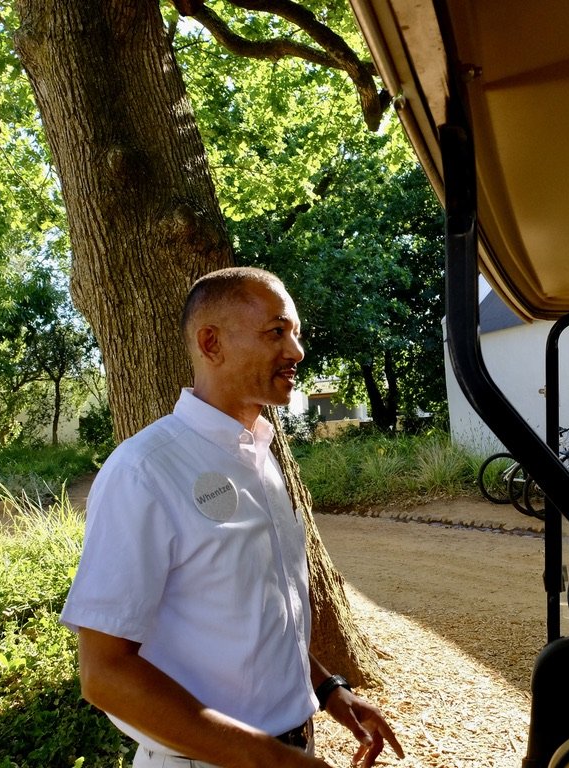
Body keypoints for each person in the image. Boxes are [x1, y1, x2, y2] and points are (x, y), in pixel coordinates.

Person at [60, 267, 404, 768]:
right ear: (210, 342)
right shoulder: (145, 470)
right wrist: (272, 760)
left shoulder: (259, 457)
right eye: (276, 332)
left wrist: (328, 690)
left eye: (296, 334)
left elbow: (255, 615)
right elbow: (104, 674)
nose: (296, 352)